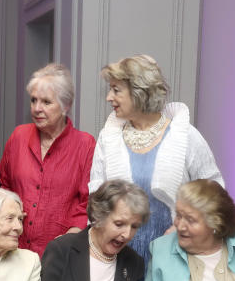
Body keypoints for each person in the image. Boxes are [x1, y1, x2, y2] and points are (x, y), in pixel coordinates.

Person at [90, 54, 223, 265]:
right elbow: (96, 198)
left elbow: (214, 193)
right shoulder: (108, 138)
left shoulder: (184, 135)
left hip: (176, 257)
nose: (108, 97)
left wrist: (184, 226)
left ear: (139, 92)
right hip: (119, 259)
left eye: (116, 90)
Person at [0, 64, 95, 256]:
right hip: (14, 249)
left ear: (66, 105)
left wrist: (71, 237)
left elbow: (88, 202)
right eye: (33, 100)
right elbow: (4, 187)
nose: (36, 108)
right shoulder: (19, 136)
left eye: (46, 102)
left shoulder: (85, 144)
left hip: (61, 254)